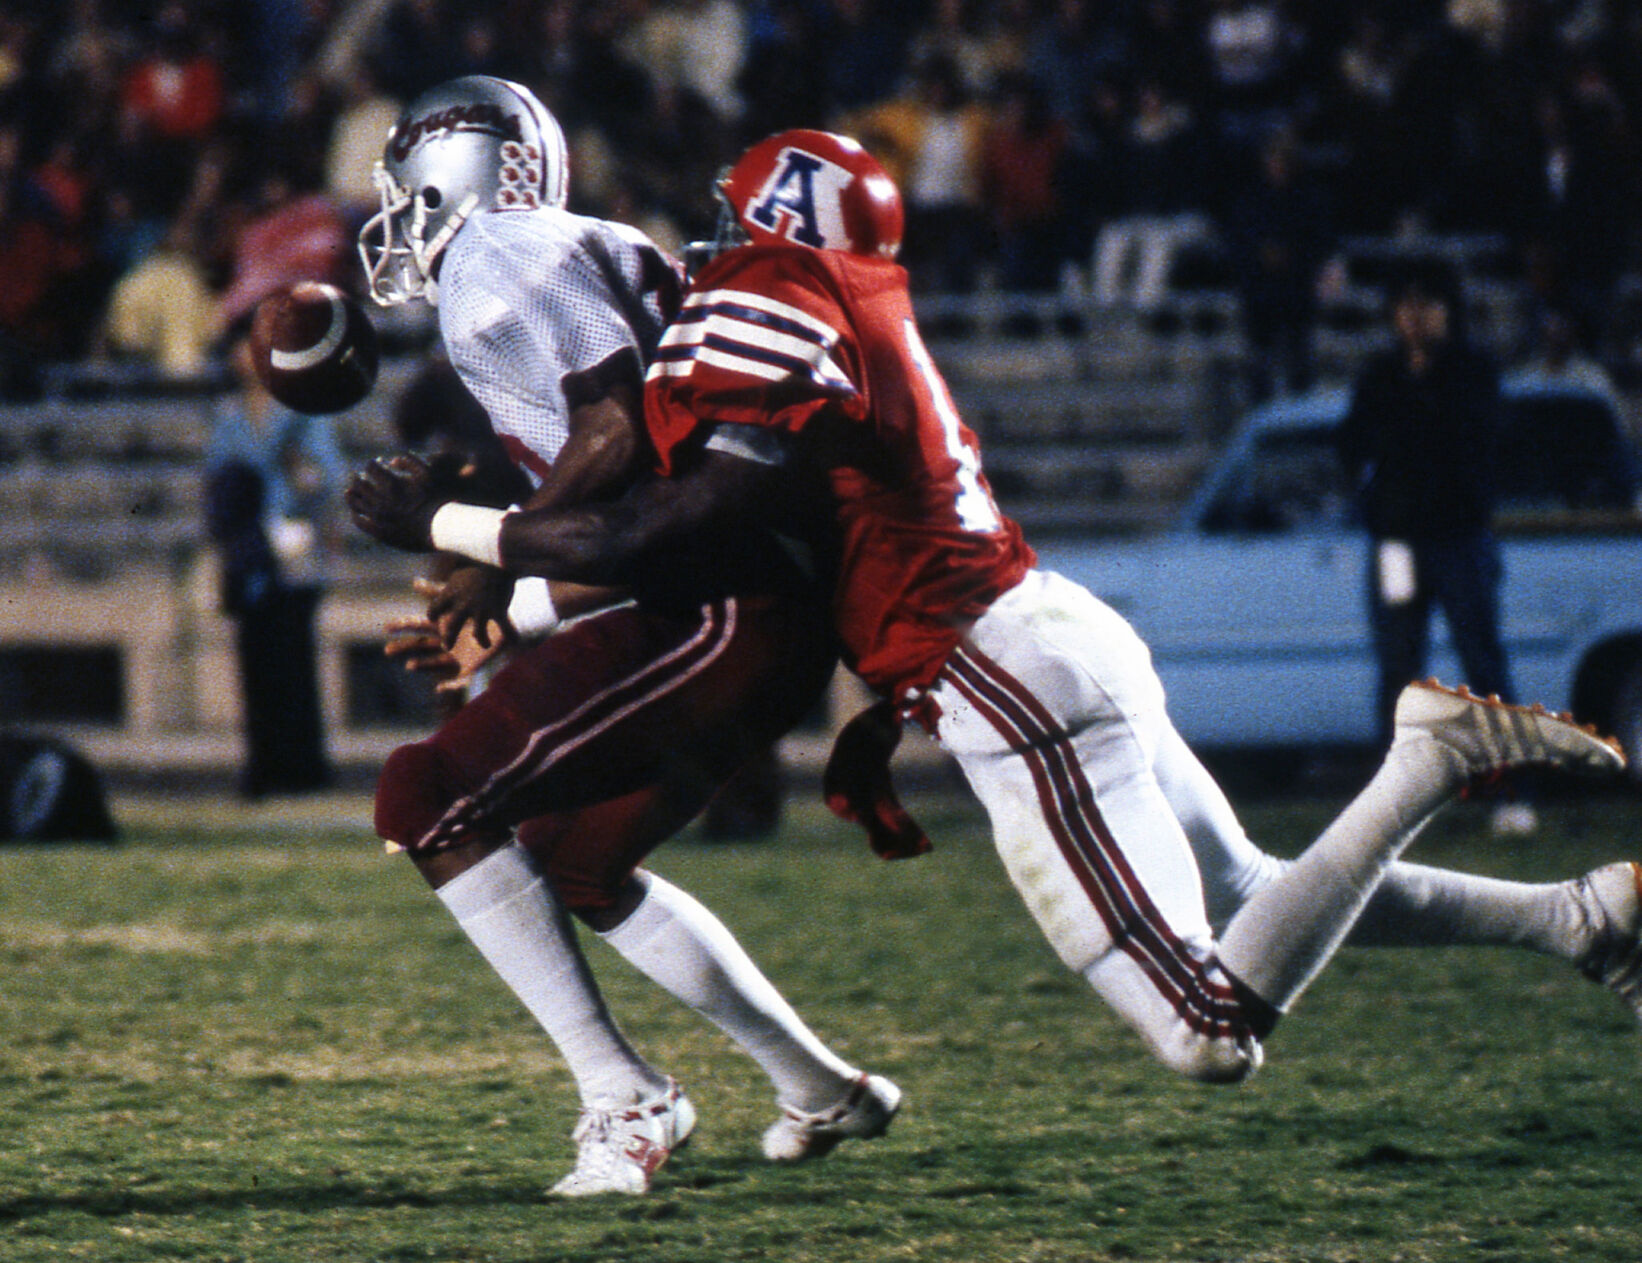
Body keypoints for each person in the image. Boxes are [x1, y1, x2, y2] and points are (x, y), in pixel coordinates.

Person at [350, 130, 1642, 1094]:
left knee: (1205, 1031)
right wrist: (518, 604)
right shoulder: (859, 298)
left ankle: (1421, 758)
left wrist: (449, 527)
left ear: (777, 227)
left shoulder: (773, 300)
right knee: (1251, 882)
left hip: (996, 670)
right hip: (1052, 618)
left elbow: (678, 525)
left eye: (736, 219)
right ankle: (1572, 918)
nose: (715, 241)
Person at [351, 77, 898, 1197]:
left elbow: (618, 442)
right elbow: (640, 497)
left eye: (410, 186)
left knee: (425, 796)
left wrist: (487, 545)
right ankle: (822, 1087)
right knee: (579, 861)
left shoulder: (496, 253)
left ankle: (625, 1094)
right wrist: (512, 597)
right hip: (734, 594)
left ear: (462, 169)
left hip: (718, 602)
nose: (399, 214)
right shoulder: (590, 241)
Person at [1336, 264, 1520, 791]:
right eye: (1406, 305)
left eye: (1428, 304)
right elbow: (1350, 445)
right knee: (1397, 670)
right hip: (1398, 543)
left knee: (1482, 663)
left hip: (1459, 539)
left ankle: (1510, 789)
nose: (1416, 317)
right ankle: (1392, 798)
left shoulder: (1473, 371)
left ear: (1448, 311)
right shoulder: (1380, 374)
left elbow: (1487, 444)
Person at [205, 328, 341, 798]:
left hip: (295, 544)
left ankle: (301, 765)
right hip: (251, 551)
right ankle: (262, 761)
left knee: (293, 657)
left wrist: (304, 479)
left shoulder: (302, 413)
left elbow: (327, 476)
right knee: (254, 659)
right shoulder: (228, 416)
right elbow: (218, 479)